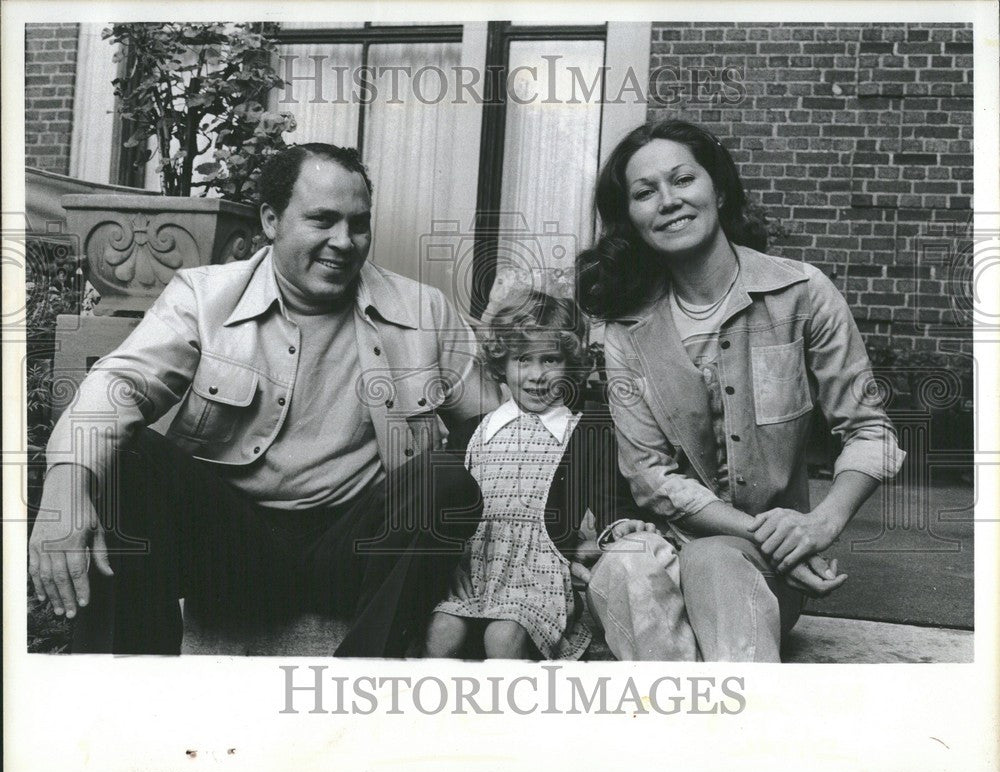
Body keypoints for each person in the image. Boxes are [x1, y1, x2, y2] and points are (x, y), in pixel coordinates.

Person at [29, 143, 500, 656]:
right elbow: (120, 384)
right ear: (272, 220)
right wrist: (65, 485)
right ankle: (128, 691)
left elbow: (496, 427)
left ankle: (361, 683)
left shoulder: (421, 309)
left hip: (354, 544)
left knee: (444, 480)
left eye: (358, 224)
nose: (343, 242)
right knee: (127, 459)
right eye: (322, 220)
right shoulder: (204, 297)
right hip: (234, 546)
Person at [576, 119, 906, 662]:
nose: (668, 201)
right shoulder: (626, 331)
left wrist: (817, 525)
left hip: (767, 570)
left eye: (683, 180)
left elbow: (870, 432)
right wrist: (766, 534)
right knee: (623, 567)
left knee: (713, 562)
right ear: (630, 218)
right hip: (670, 549)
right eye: (644, 192)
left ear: (719, 189)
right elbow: (652, 479)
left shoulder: (801, 294)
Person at [423, 291, 696, 660]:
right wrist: (445, 558)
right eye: (523, 359)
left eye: (550, 359)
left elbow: (606, 498)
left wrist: (619, 526)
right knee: (442, 631)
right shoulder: (470, 433)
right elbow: (444, 508)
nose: (537, 375)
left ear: (570, 365)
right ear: (501, 363)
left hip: (537, 576)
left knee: (503, 637)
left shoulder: (586, 432)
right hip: (473, 569)